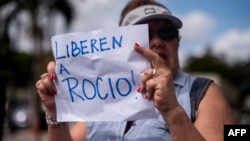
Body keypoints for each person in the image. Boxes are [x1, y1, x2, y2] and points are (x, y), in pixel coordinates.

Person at [36, 0, 236, 140]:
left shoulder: (203, 92)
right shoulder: (102, 97)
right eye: (145, 34)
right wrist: (55, 111)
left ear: (177, 42)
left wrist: (173, 111)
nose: (157, 41)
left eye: (167, 32)